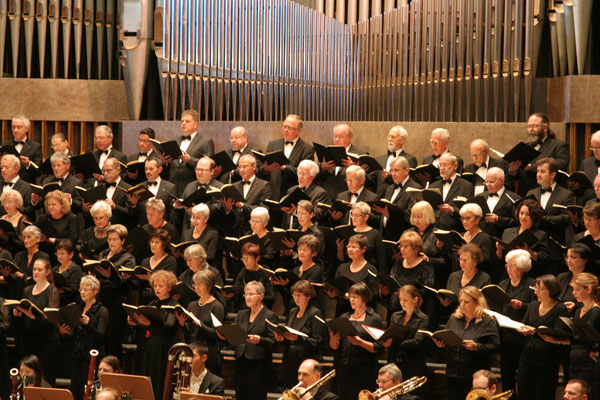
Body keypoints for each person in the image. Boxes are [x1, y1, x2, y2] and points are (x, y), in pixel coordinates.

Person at [433, 286, 499, 400]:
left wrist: (477, 347)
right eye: (461, 301)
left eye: (466, 302)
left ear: (477, 302)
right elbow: (448, 339)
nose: (462, 305)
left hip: (473, 377)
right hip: (453, 372)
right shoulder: (454, 319)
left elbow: (496, 346)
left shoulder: (487, 322)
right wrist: (441, 345)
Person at [517, 274, 570, 400]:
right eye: (535, 288)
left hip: (548, 357)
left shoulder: (560, 308)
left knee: (543, 393)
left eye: (540, 289)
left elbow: (558, 333)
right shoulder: (533, 305)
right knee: (524, 392)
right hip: (527, 355)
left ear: (551, 290)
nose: (536, 292)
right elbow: (525, 324)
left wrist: (533, 332)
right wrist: (521, 329)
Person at [127, 270, 179, 398]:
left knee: (159, 379)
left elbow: (169, 326)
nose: (157, 288)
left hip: (164, 348)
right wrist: (137, 323)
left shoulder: (174, 305)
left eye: (161, 286)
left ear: (169, 287)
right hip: (150, 346)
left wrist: (148, 324)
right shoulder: (152, 304)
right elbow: (147, 325)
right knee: (148, 377)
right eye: (155, 285)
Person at [329, 282, 383, 400]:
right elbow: (334, 347)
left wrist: (360, 342)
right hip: (344, 368)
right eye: (350, 297)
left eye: (355, 297)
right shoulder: (344, 317)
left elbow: (378, 347)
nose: (351, 300)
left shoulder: (373, 319)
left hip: (364, 370)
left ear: (364, 298)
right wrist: (333, 340)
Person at [225, 280, 278, 400]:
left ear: (261, 296)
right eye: (245, 294)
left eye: (251, 294)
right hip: (241, 360)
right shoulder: (241, 314)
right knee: (240, 395)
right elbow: (236, 337)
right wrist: (227, 335)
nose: (247, 297)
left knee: (255, 395)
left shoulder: (269, 316)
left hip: (258, 364)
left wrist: (260, 340)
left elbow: (272, 341)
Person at [13, 259, 59, 385]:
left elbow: (52, 318)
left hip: (46, 342)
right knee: (27, 380)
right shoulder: (27, 290)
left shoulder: (52, 290)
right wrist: (18, 314)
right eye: (34, 269)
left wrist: (33, 316)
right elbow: (24, 314)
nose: (36, 272)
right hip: (29, 341)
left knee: (45, 378)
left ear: (47, 271)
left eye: (40, 270)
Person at [275, 280, 327, 387]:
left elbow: (319, 341)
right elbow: (289, 336)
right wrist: (282, 338)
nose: (296, 298)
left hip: (306, 361)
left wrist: (298, 339)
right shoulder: (292, 311)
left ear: (308, 296)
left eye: (299, 295)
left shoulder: (315, 313)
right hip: (290, 360)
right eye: (294, 295)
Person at [497, 249, 536, 393]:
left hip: (523, 338)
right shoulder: (503, 284)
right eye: (507, 265)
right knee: (506, 376)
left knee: (524, 378)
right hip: (505, 337)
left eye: (512, 266)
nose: (508, 269)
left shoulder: (532, 285)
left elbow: (537, 308)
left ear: (522, 267)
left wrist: (522, 306)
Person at [64, 275, 109, 400]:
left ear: (95, 291)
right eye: (81, 289)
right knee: (76, 388)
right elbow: (73, 333)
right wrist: (63, 331)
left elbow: (100, 335)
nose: (82, 292)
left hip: (91, 356)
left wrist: (88, 325)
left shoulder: (102, 311)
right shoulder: (78, 308)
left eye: (86, 289)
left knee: (88, 389)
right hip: (77, 354)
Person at [382, 285, 429, 399]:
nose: (402, 303)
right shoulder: (395, 316)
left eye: (405, 300)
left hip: (412, 364)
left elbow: (417, 342)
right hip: (394, 363)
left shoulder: (423, 318)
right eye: (400, 299)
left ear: (415, 300)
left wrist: (395, 341)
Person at [177, 269, 225, 375]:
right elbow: (189, 335)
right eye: (195, 284)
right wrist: (182, 324)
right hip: (193, 352)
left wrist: (199, 323)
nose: (196, 287)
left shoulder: (216, 306)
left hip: (209, 353)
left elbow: (216, 335)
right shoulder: (192, 305)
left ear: (209, 286)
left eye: (200, 284)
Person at [509, 113, 569, 196]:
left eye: (535, 126)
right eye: (529, 127)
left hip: (551, 193)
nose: (531, 129)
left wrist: (531, 167)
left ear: (545, 128)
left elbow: (562, 164)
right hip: (526, 194)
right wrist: (513, 171)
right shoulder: (523, 147)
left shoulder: (558, 145)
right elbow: (517, 177)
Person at [259, 114, 314, 200]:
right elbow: (262, 167)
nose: (286, 130)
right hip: (272, 194)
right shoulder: (273, 144)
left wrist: (284, 167)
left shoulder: (307, 148)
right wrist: (266, 169)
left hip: (293, 195)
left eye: (290, 128)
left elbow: (305, 173)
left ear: (298, 130)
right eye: (284, 127)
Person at [163, 109, 215, 195]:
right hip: (172, 187)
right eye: (182, 121)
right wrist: (164, 161)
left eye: (187, 121)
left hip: (193, 188)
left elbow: (209, 165)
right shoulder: (173, 141)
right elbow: (169, 166)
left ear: (196, 124)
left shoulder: (206, 142)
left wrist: (190, 160)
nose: (183, 123)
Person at [526, 157, 574, 247]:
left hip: (554, 242)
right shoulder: (531, 193)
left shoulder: (566, 194)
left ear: (552, 175)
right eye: (538, 171)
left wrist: (544, 218)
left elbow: (566, 218)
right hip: (533, 242)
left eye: (542, 171)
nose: (538, 174)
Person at [372, 156, 422, 243]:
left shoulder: (415, 189)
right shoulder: (390, 188)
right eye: (391, 170)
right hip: (384, 235)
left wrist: (389, 216)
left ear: (406, 170)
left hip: (402, 238)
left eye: (396, 170)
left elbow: (411, 218)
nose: (393, 174)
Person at [384, 231, 434, 316]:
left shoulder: (426, 266)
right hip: (395, 311)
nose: (402, 249)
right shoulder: (397, 264)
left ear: (416, 249)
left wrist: (406, 295)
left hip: (415, 312)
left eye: (406, 246)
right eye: (401, 246)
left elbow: (427, 290)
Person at [496, 199, 550, 277]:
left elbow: (544, 259)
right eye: (521, 213)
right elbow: (500, 260)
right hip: (508, 275)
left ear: (534, 216)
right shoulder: (507, 232)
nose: (523, 217)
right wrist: (499, 249)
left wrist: (529, 251)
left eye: (527, 214)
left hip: (529, 275)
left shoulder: (540, 234)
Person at [327, 234, 378, 316]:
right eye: (348, 247)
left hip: (361, 314)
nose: (350, 250)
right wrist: (332, 295)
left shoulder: (371, 269)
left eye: (353, 247)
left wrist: (354, 296)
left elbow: (374, 294)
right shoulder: (342, 267)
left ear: (363, 249)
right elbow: (337, 288)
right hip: (342, 312)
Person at [569, 273, 600, 400]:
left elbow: (589, 337)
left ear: (588, 289)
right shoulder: (578, 310)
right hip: (575, 359)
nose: (573, 293)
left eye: (577, 289)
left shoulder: (597, 311)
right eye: (573, 289)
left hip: (589, 363)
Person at [227, 154, 272, 237]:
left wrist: (242, 206)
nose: (241, 170)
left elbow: (264, 210)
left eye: (245, 167)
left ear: (254, 167)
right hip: (235, 231)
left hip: (253, 232)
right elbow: (231, 214)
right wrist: (228, 208)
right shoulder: (233, 186)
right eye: (239, 167)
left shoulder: (264, 185)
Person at [317, 123, 365, 199]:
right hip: (326, 196)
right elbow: (315, 176)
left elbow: (366, 180)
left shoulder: (360, 154)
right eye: (335, 136)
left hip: (346, 196)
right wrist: (322, 168)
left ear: (350, 137)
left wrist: (353, 167)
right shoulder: (327, 151)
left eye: (340, 137)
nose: (336, 139)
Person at [429, 153, 474, 232]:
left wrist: (452, 210)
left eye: (445, 165)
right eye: (440, 165)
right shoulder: (433, 186)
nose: (442, 168)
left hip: (456, 230)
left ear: (455, 166)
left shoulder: (466, 186)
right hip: (434, 230)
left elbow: (469, 212)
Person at [280, 159, 330, 228]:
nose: (300, 176)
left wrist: (296, 211)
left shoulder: (320, 193)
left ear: (313, 176)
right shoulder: (291, 190)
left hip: (307, 234)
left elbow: (318, 215)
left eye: (304, 174)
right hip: (289, 232)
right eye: (299, 173)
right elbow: (286, 217)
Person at [337, 202, 385, 272]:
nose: (353, 218)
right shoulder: (347, 232)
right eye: (352, 215)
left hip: (368, 271)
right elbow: (342, 259)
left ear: (366, 217)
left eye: (357, 215)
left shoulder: (375, 234)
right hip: (350, 271)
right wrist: (340, 249)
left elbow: (381, 260)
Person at [371, 125, 418, 194]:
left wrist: (389, 177)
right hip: (379, 198)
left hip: (398, 198)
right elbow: (373, 181)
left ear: (402, 140)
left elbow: (408, 182)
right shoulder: (380, 158)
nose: (389, 139)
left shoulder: (409, 159)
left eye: (393, 137)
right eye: (389, 136)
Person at [476, 167, 520, 240]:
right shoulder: (480, 196)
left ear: (502, 181)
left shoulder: (513, 198)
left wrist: (498, 220)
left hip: (500, 239)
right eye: (486, 182)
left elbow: (517, 222)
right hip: (480, 239)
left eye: (492, 182)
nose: (488, 185)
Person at [130, 158, 177, 226]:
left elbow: (172, 214)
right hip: (144, 228)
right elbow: (135, 215)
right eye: (146, 169)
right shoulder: (138, 187)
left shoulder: (170, 187)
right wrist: (133, 204)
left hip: (163, 229)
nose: (147, 172)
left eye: (151, 169)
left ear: (159, 170)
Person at [138, 229, 178, 304]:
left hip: (160, 298)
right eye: (152, 241)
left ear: (164, 244)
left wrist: (151, 278)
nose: (153, 245)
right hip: (144, 298)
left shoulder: (170, 261)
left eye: (157, 242)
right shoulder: (145, 261)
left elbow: (170, 283)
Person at [231, 242, 274, 308]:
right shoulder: (243, 272)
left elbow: (271, 297)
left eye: (248, 259)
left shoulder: (265, 272)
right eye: (243, 259)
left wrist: (256, 297)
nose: (245, 262)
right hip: (244, 308)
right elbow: (236, 291)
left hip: (261, 308)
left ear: (257, 258)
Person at [3, 115, 43, 184]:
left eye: (19, 127)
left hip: (26, 186)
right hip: (6, 184)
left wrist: (28, 164)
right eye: (13, 127)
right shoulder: (5, 145)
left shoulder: (35, 147)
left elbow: (39, 172)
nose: (15, 130)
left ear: (27, 129)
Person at [558, 244, 591, 314]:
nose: (568, 261)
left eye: (573, 257)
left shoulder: (591, 280)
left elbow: (594, 304)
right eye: (567, 257)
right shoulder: (561, 277)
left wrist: (575, 306)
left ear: (584, 260)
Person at [0, 154, 34, 221]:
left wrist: (15, 207)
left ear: (16, 169)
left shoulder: (26, 187)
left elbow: (30, 211)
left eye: (7, 167)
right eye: (1, 167)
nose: (3, 170)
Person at [53, 239, 83, 306]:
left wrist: (61, 289)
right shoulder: (55, 268)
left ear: (71, 254)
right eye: (58, 253)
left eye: (62, 254)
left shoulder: (76, 269)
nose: (60, 256)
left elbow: (73, 290)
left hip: (69, 303)